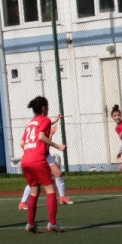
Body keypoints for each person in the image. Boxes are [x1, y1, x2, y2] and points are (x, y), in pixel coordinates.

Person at [20, 96, 66, 233]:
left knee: (34, 191)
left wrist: (30, 152)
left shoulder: (30, 123)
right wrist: (58, 146)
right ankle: (52, 223)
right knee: (51, 190)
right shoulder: (44, 120)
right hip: (37, 159)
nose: (48, 109)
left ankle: (30, 224)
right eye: (47, 107)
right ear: (43, 108)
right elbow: (41, 136)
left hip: (25, 160)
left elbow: (22, 143)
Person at [18, 121, 73, 211]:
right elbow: (44, 146)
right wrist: (52, 135)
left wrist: (55, 122)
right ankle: (23, 202)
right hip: (39, 156)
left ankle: (62, 198)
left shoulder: (39, 127)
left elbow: (44, 146)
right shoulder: (39, 131)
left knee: (58, 174)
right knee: (35, 181)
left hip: (45, 154)